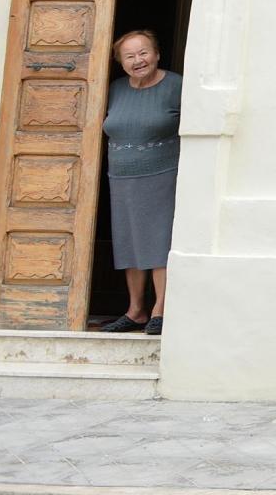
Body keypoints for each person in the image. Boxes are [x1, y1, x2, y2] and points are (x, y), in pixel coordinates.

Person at [99, 29, 181, 336]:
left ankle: (160, 309)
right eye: (130, 56)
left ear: (157, 54)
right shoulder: (115, 89)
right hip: (121, 177)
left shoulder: (176, 86)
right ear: (120, 62)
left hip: (163, 175)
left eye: (144, 53)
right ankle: (135, 310)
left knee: (159, 241)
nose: (138, 60)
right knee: (129, 242)